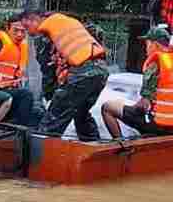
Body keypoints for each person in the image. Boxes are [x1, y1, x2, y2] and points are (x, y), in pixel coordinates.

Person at [21, 11, 109, 140]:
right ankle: (93, 146)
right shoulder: (69, 23)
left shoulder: (43, 35)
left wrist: (51, 96)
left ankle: (40, 155)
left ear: (35, 20)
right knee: (80, 113)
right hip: (101, 71)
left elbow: (47, 69)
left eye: (26, 27)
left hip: (82, 73)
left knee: (53, 120)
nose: (27, 32)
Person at [103, 25, 173, 139]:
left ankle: (120, 146)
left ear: (155, 44)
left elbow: (143, 106)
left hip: (158, 124)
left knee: (108, 107)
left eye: (147, 44)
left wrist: (129, 108)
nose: (145, 49)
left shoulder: (156, 64)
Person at [0, 13, 39, 126]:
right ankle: (18, 129)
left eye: (23, 31)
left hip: (6, 89)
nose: (19, 34)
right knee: (26, 95)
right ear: (7, 28)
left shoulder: (20, 48)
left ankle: (19, 127)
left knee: (32, 105)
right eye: (16, 30)